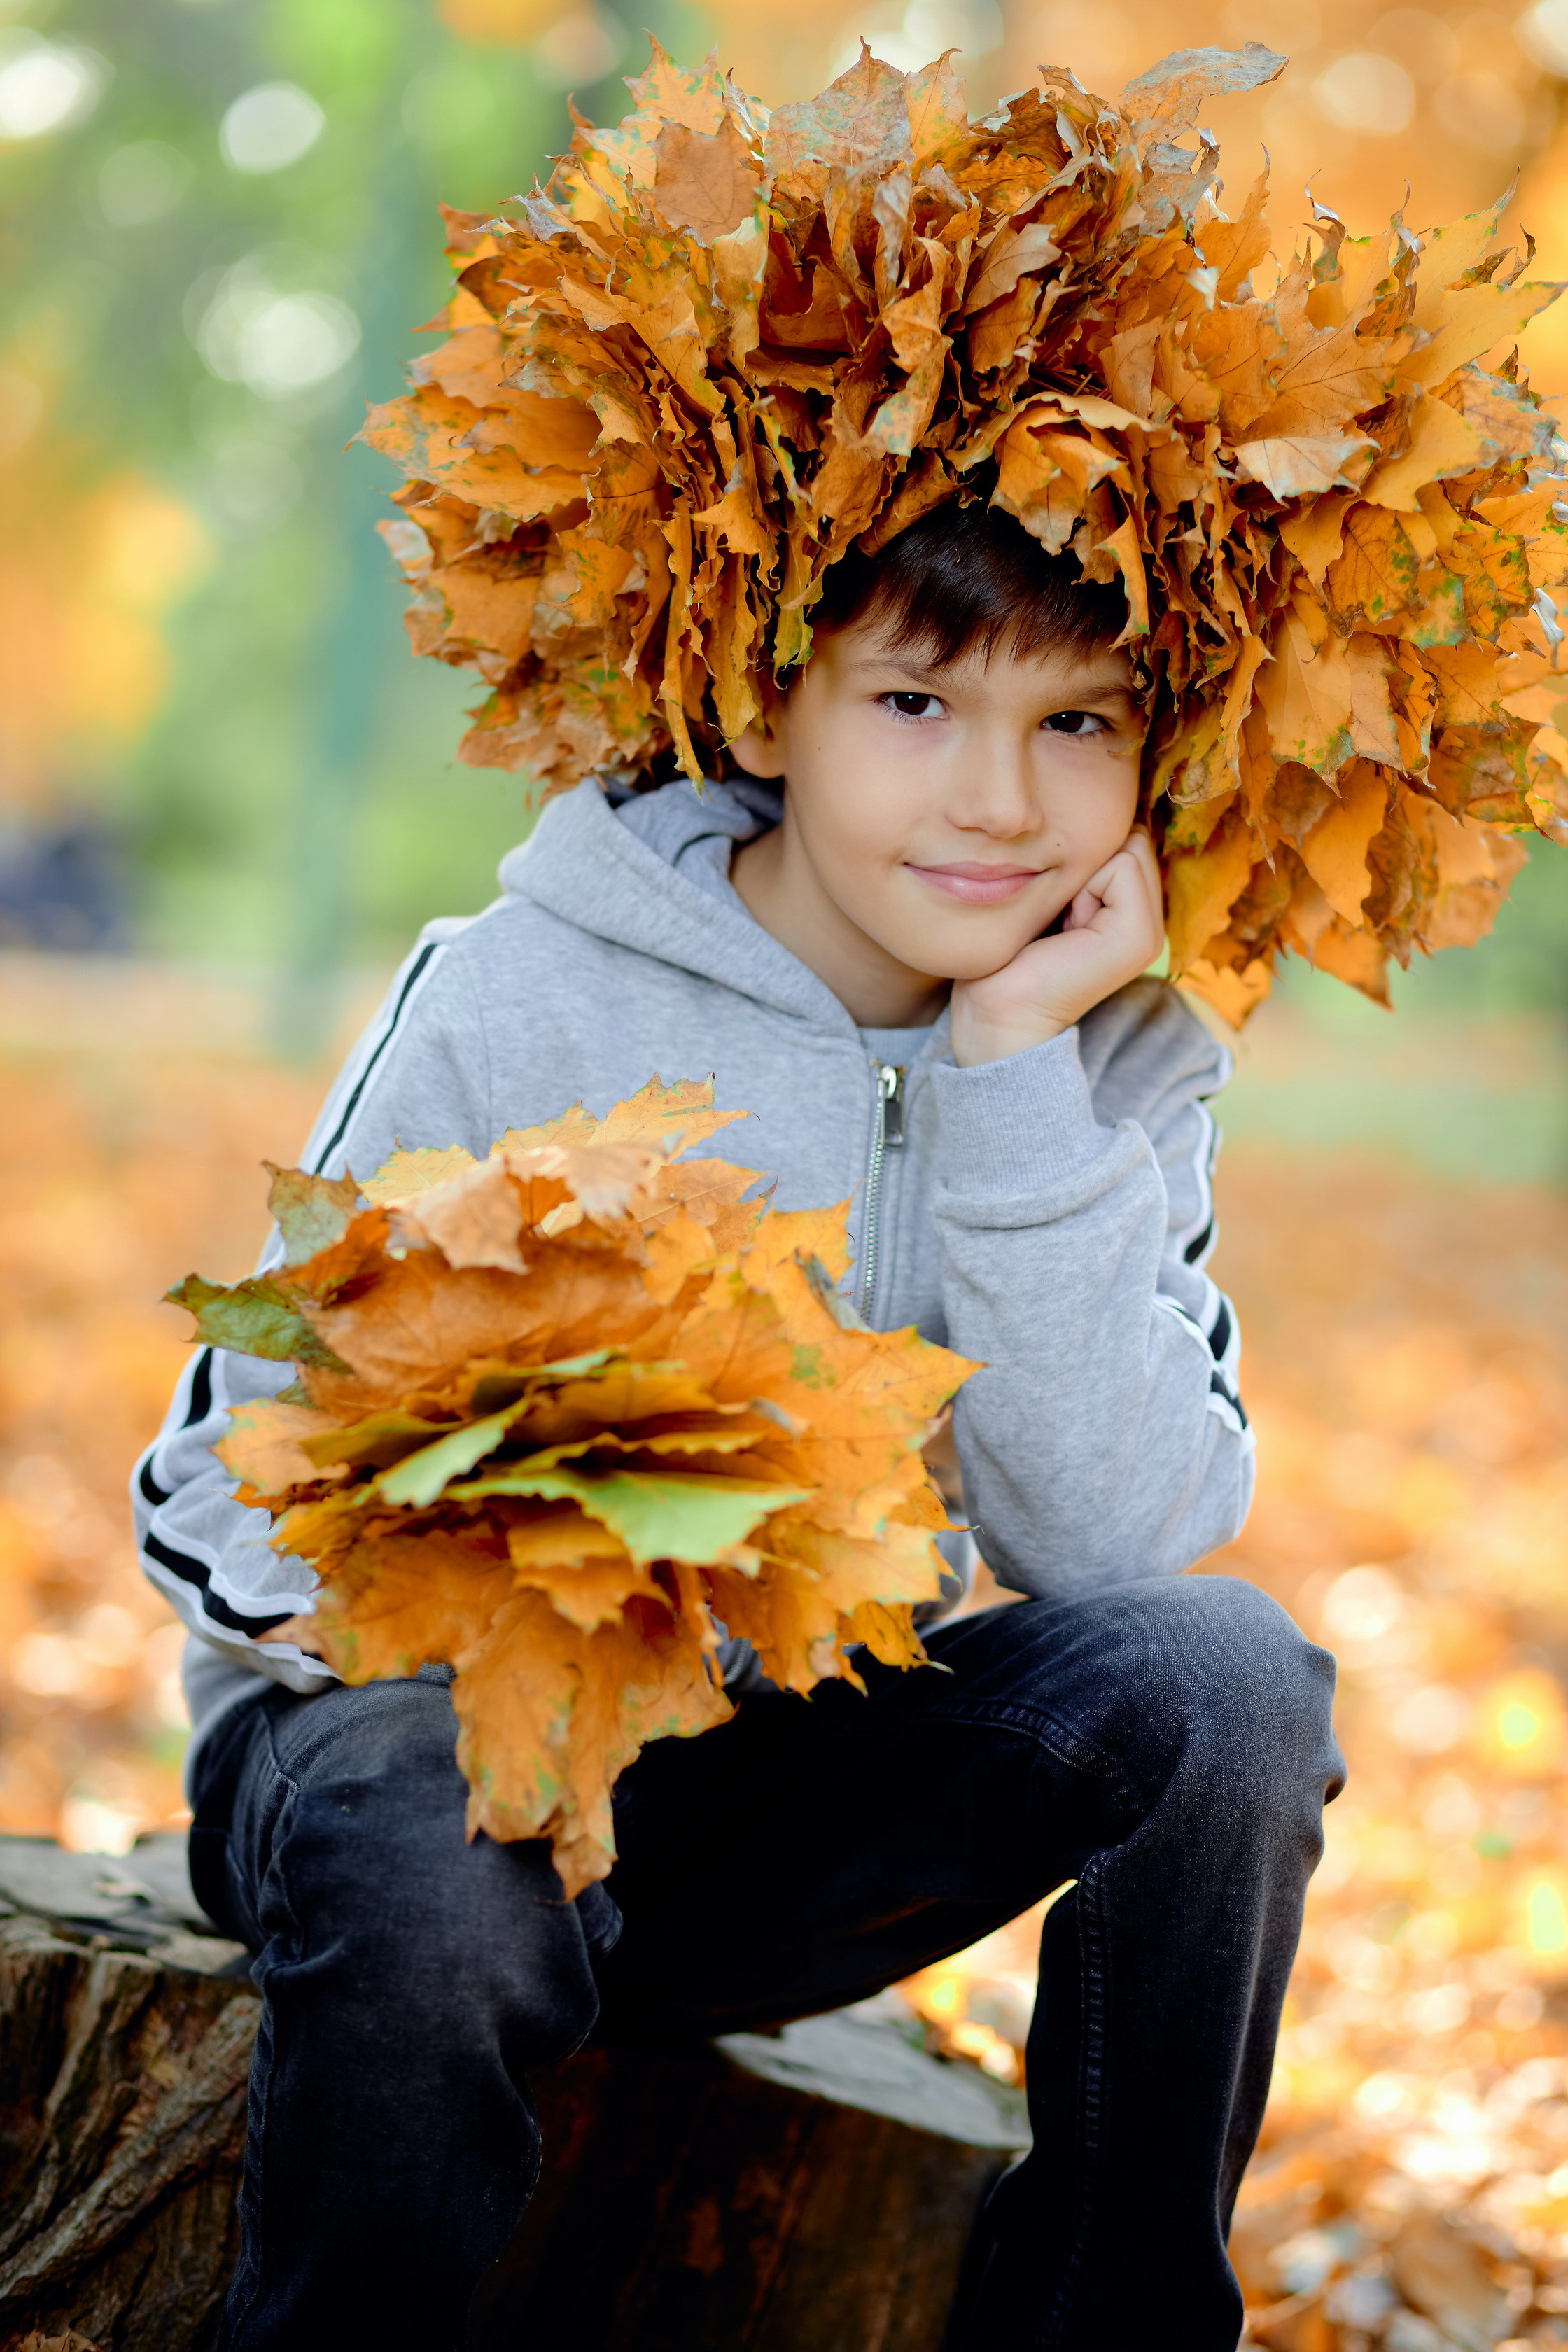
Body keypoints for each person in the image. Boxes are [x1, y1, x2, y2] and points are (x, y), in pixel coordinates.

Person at [135, 497, 1343, 2350]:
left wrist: (1014, 1072)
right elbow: (222, 1480)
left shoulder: (1115, 1059)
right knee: (435, 1833)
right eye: (921, 704)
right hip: (400, 1787)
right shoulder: (528, 980)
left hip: (756, 1819)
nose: (1001, 803)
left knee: (1231, 1679)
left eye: (1080, 721)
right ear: (773, 704)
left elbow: (1106, 1548)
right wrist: (525, 1599)